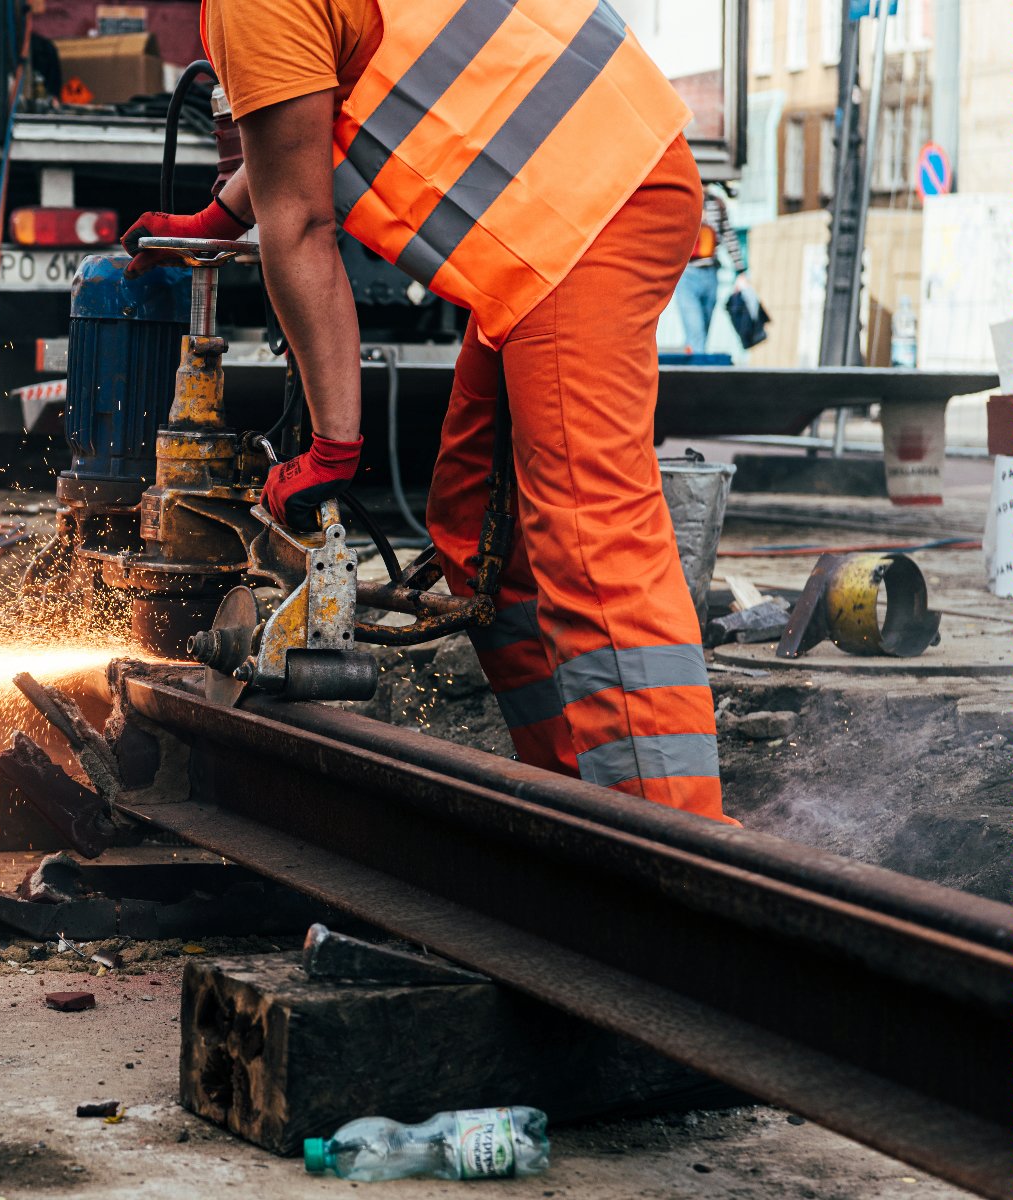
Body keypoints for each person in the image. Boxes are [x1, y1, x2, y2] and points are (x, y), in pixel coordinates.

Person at [122, 0, 730, 823]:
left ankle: (675, 838)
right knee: (477, 518)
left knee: (587, 534)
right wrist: (230, 211)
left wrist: (332, 448)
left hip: (581, 217)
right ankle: (573, 794)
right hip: (602, 168)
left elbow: (299, 225)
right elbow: (309, 111)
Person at [674, 184, 748, 355]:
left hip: (711, 274)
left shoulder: (717, 204)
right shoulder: (683, 202)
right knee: (695, 332)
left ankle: (691, 368)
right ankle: (696, 376)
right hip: (687, 274)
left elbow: (729, 236)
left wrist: (740, 271)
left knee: (703, 331)